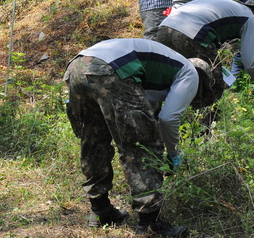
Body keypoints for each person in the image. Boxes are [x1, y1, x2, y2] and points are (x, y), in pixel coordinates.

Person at [64, 38, 201, 237]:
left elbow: (145, 103)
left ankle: (101, 210)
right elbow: (168, 119)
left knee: (93, 140)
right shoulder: (189, 72)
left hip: (76, 66)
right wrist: (173, 153)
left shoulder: (164, 65)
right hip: (109, 69)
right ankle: (149, 223)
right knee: (140, 145)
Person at [155, 0, 254, 99]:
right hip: (191, 33)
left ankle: (160, 123)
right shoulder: (250, 18)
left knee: (163, 82)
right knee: (212, 87)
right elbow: (251, 63)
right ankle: (205, 130)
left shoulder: (231, 7)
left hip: (164, 28)